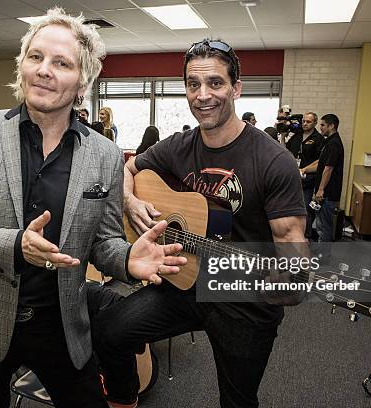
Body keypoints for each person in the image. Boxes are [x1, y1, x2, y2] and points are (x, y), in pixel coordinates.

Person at [0, 8, 186, 408]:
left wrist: (128, 259)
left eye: (61, 62)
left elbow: (103, 242)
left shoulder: (104, 155)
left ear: (83, 82)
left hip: (63, 324)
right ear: (22, 67)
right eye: (35, 57)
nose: (44, 70)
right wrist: (15, 246)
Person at [92, 38, 307, 408]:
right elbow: (127, 169)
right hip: (185, 283)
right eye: (193, 85)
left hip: (244, 297)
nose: (203, 95)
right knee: (110, 331)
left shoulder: (274, 160)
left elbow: (290, 239)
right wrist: (131, 201)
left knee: (237, 401)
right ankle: (123, 400)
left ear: (236, 88)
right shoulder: (178, 146)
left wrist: (291, 276)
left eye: (215, 83)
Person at [312, 113, 344, 242]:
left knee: (323, 227)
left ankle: (322, 259)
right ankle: (321, 254)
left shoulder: (334, 144)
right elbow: (321, 163)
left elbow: (328, 168)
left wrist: (320, 189)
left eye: (323, 125)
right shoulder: (328, 142)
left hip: (328, 193)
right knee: (321, 225)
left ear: (332, 126)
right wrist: (303, 169)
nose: (320, 127)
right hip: (325, 192)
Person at [298, 112, 324, 240]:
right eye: (303, 121)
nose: (305, 123)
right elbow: (284, 151)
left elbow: (321, 162)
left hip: (308, 181)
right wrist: (284, 135)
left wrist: (304, 170)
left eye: (308, 122)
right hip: (294, 180)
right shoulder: (297, 136)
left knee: (306, 211)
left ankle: (306, 236)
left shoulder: (318, 139)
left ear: (315, 123)